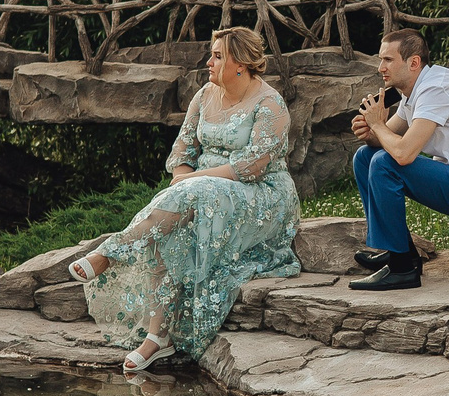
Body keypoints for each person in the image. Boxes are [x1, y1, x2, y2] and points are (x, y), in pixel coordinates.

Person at [68, 27, 302, 372]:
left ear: (240, 63)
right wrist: (182, 177)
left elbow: (251, 166)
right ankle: (155, 340)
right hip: (199, 192)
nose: (209, 62)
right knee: (172, 229)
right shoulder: (205, 94)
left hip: (260, 196)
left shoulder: (270, 104)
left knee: (193, 193)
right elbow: (183, 147)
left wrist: (189, 181)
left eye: (217, 56)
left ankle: (110, 252)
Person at [346, 30, 449, 292]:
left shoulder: (436, 88)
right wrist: (371, 132)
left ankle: (403, 270)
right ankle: (399, 251)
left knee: (384, 164)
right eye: (381, 60)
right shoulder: (412, 91)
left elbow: (402, 154)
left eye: (388, 60)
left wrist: (378, 126)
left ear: (413, 63)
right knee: (366, 157)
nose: (381, 68)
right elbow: (386, 138)